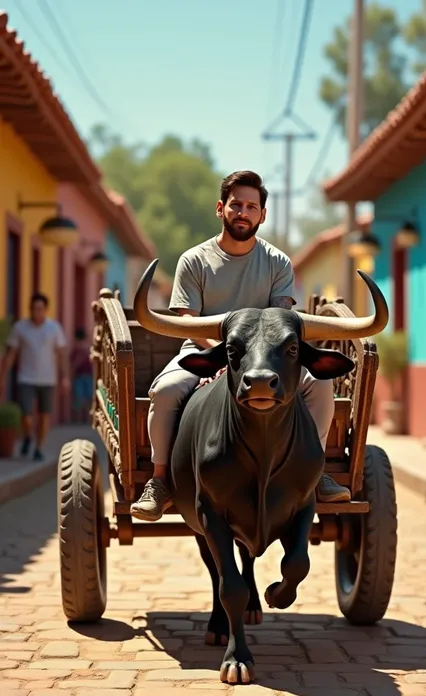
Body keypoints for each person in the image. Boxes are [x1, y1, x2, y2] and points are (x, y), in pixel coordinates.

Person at [131, 170, 351, 522]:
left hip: (264, 359)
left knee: (320, 384)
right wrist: (223, 360)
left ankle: (315, 470)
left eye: (252, 206)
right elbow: (187, 321)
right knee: (167, 390)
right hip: (203, 349)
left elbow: (279, 324)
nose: (243, 212)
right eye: (236, 205)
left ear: (263, 215)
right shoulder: (194, 260)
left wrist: (247, 361)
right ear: (221, 209)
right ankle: (159, 481)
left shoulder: (278, 262)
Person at [0, 293, 69, 461]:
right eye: (33, 308)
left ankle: (38, 447)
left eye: (40, 309)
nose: (36, 312)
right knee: (26, 414)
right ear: (29, 309)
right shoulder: (20, 328)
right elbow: (10, 354)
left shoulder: (54, 328)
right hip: (26, 378)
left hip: (48, 379)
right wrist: (2, 377)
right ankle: (28, 436)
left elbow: (61, 354)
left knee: (44, 415)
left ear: (45, 310)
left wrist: (65, 377)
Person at [70, 327, 93, 424]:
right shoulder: (79, 351)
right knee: (79, 399)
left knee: (88, 398)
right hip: (80, 376)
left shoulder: (86, 350)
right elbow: (72, 364)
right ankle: (79, 420)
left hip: (85, 376)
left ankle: (87, 420)